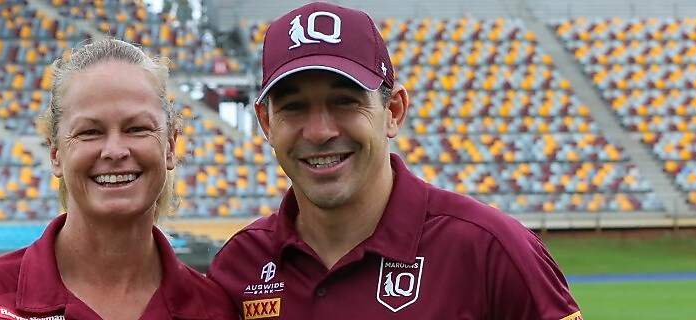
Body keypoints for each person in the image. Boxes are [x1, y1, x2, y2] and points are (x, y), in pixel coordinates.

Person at [207, 2, 583, 319]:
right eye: (294, 107)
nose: (319, 131)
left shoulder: (493, 251)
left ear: (394, 111)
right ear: (267, 123)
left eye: (345, 101)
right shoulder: (239, 266)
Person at [0, 38, 235, 320]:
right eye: (90, 132)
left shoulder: (214, 310)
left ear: (170, 146)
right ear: (55, 154)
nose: (115, 150)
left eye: (137, 128)